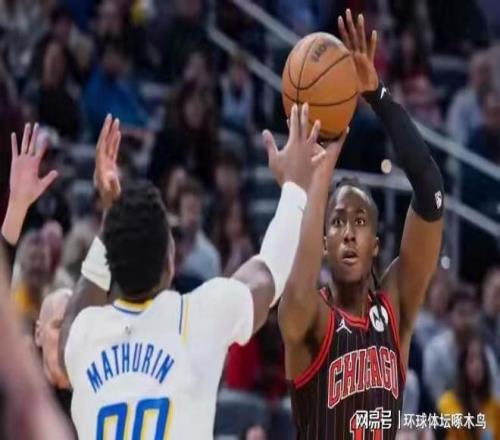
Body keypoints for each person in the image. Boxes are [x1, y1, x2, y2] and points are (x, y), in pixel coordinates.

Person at [58, 110, 346, 438]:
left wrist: (112, 218)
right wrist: (295, 189)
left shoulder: (83, 338)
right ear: (171, 261)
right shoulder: (196, 318)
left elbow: (74, 315)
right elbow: (270, 272)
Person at [275, 10, 444, 439]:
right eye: (336, 221)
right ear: (324, 242)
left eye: (360, 220)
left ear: (376, 244)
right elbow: (297, 291)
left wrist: (378, 95)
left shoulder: (397, 305)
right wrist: (318, 177)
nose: (349, 230)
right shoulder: (310, 317)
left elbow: (430, 193)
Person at [423, 288, 499, 404]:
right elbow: (436, 397)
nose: (468, 320)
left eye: (472, 314)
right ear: (449, 316)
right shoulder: (436, 351)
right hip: (445, 411)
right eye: (462, 313)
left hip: (481, 411)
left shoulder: (485, 353)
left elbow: (495, 395)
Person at [438, 335, 500, 440]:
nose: (478, 366)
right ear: (462, 367)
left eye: (481, 360)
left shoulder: (494, 406)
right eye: (471, 360)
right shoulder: (447, 403)